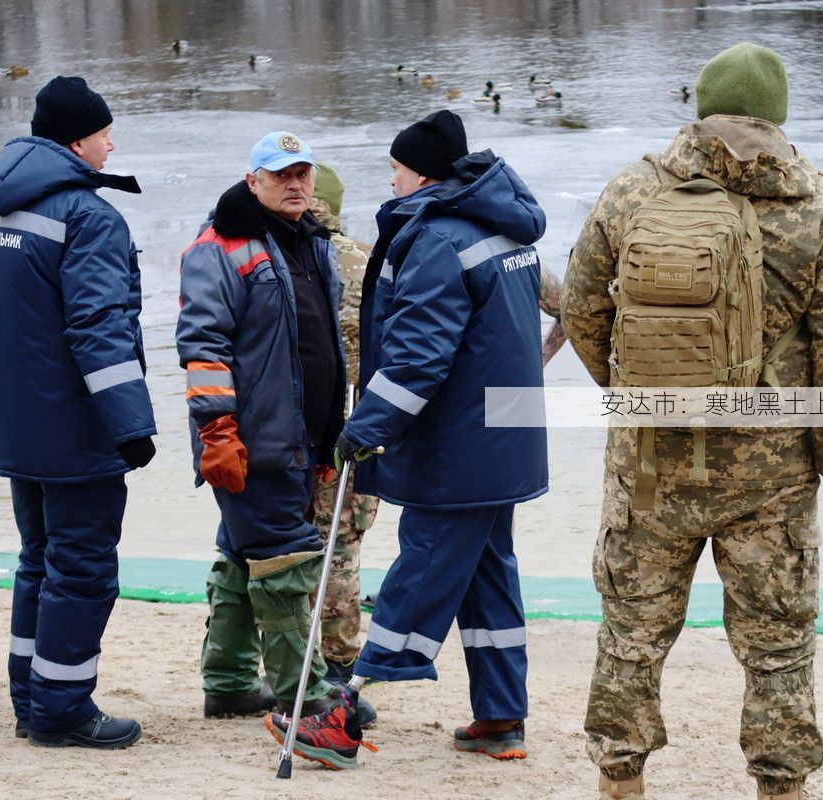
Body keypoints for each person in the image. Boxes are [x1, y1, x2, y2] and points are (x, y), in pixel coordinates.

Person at [561, 43, 823, 800]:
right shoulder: (821, 209)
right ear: (778, 114)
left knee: (632, 633)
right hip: (770, 477)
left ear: (701, 108)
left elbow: (580, 309)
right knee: (777, 645)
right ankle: (780, 787)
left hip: (648, 468)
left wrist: (634, 395)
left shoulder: (633, 190)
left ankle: (620, 778)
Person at [266, 109, 548, 768]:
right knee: (487, 574)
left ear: (421, 171)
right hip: (505, 433)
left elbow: (421, 356)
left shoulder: (435, 239)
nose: (388, 179)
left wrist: (364, 428)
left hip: (460, 444)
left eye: (394, 167)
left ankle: (344, 713)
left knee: (421, 567)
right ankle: (501, 717)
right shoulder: (502, 226)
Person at [0, 75, 157, 749]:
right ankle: (60, 709)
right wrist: (132, 424)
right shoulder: (89, 216)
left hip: (15, 427)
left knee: (39, 560)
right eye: (107, 132)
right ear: (79, 139)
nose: (113, 144)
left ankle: (32, 698)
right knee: (82, 569)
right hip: (76, 431)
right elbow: (98, 328)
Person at [175, 132, 347, 726]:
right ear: (254, 181)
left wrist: (329, 435)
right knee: (282, 562)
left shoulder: (312, 244)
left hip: (303, 441)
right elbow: (202, 346)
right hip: (251, 443)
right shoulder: (219, 247)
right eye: (281, 175)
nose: (295, 184)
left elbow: (322, 348)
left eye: (302, 173)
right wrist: (217, 431)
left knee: (240, 553)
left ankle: (226, 684)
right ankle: (309, 697)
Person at [306, 164, 380, 727]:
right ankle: (333, 667)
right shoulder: (368, 259)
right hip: (358, 421)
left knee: (271, 543)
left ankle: (261, 664)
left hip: (287, 423)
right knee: (343, 547)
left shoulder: (268, 252)